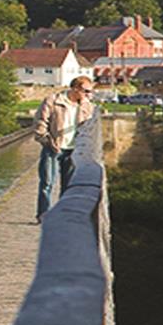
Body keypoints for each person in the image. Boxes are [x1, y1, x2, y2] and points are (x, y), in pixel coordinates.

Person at [32, 76, 96, 222]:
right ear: (75, 88)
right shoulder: (54, 101)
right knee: (47, 183)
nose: (88, 95)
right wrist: (47, 141)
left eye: (90, 92)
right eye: (86, 91)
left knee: (68, 185)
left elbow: (89, 128)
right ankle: (43, 214)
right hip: (53, 148)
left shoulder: (87, 106)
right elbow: (40, 123)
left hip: (73, 150)